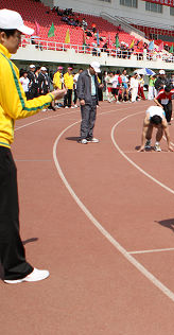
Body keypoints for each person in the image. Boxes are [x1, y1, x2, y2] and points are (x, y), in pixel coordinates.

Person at [0, 9, 67, 284]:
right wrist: (51, 96)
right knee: (6, 210)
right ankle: (16, 270)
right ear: (3, 36)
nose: (21, 41)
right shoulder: (5, 65)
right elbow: (19, 108)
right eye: (18, 36)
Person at [76, 61, 102, 144]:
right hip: (86, 99)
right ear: (90, 67)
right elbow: (80, 87)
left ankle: (90, 136)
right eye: (94, 70)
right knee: (85, 119)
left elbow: (96, 84)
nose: (95, 72)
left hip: (94, 98)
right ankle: (83, 137)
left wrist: (99, 85)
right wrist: (81, 98)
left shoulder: (94, 75)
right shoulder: (83, 75)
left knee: (92, 119)